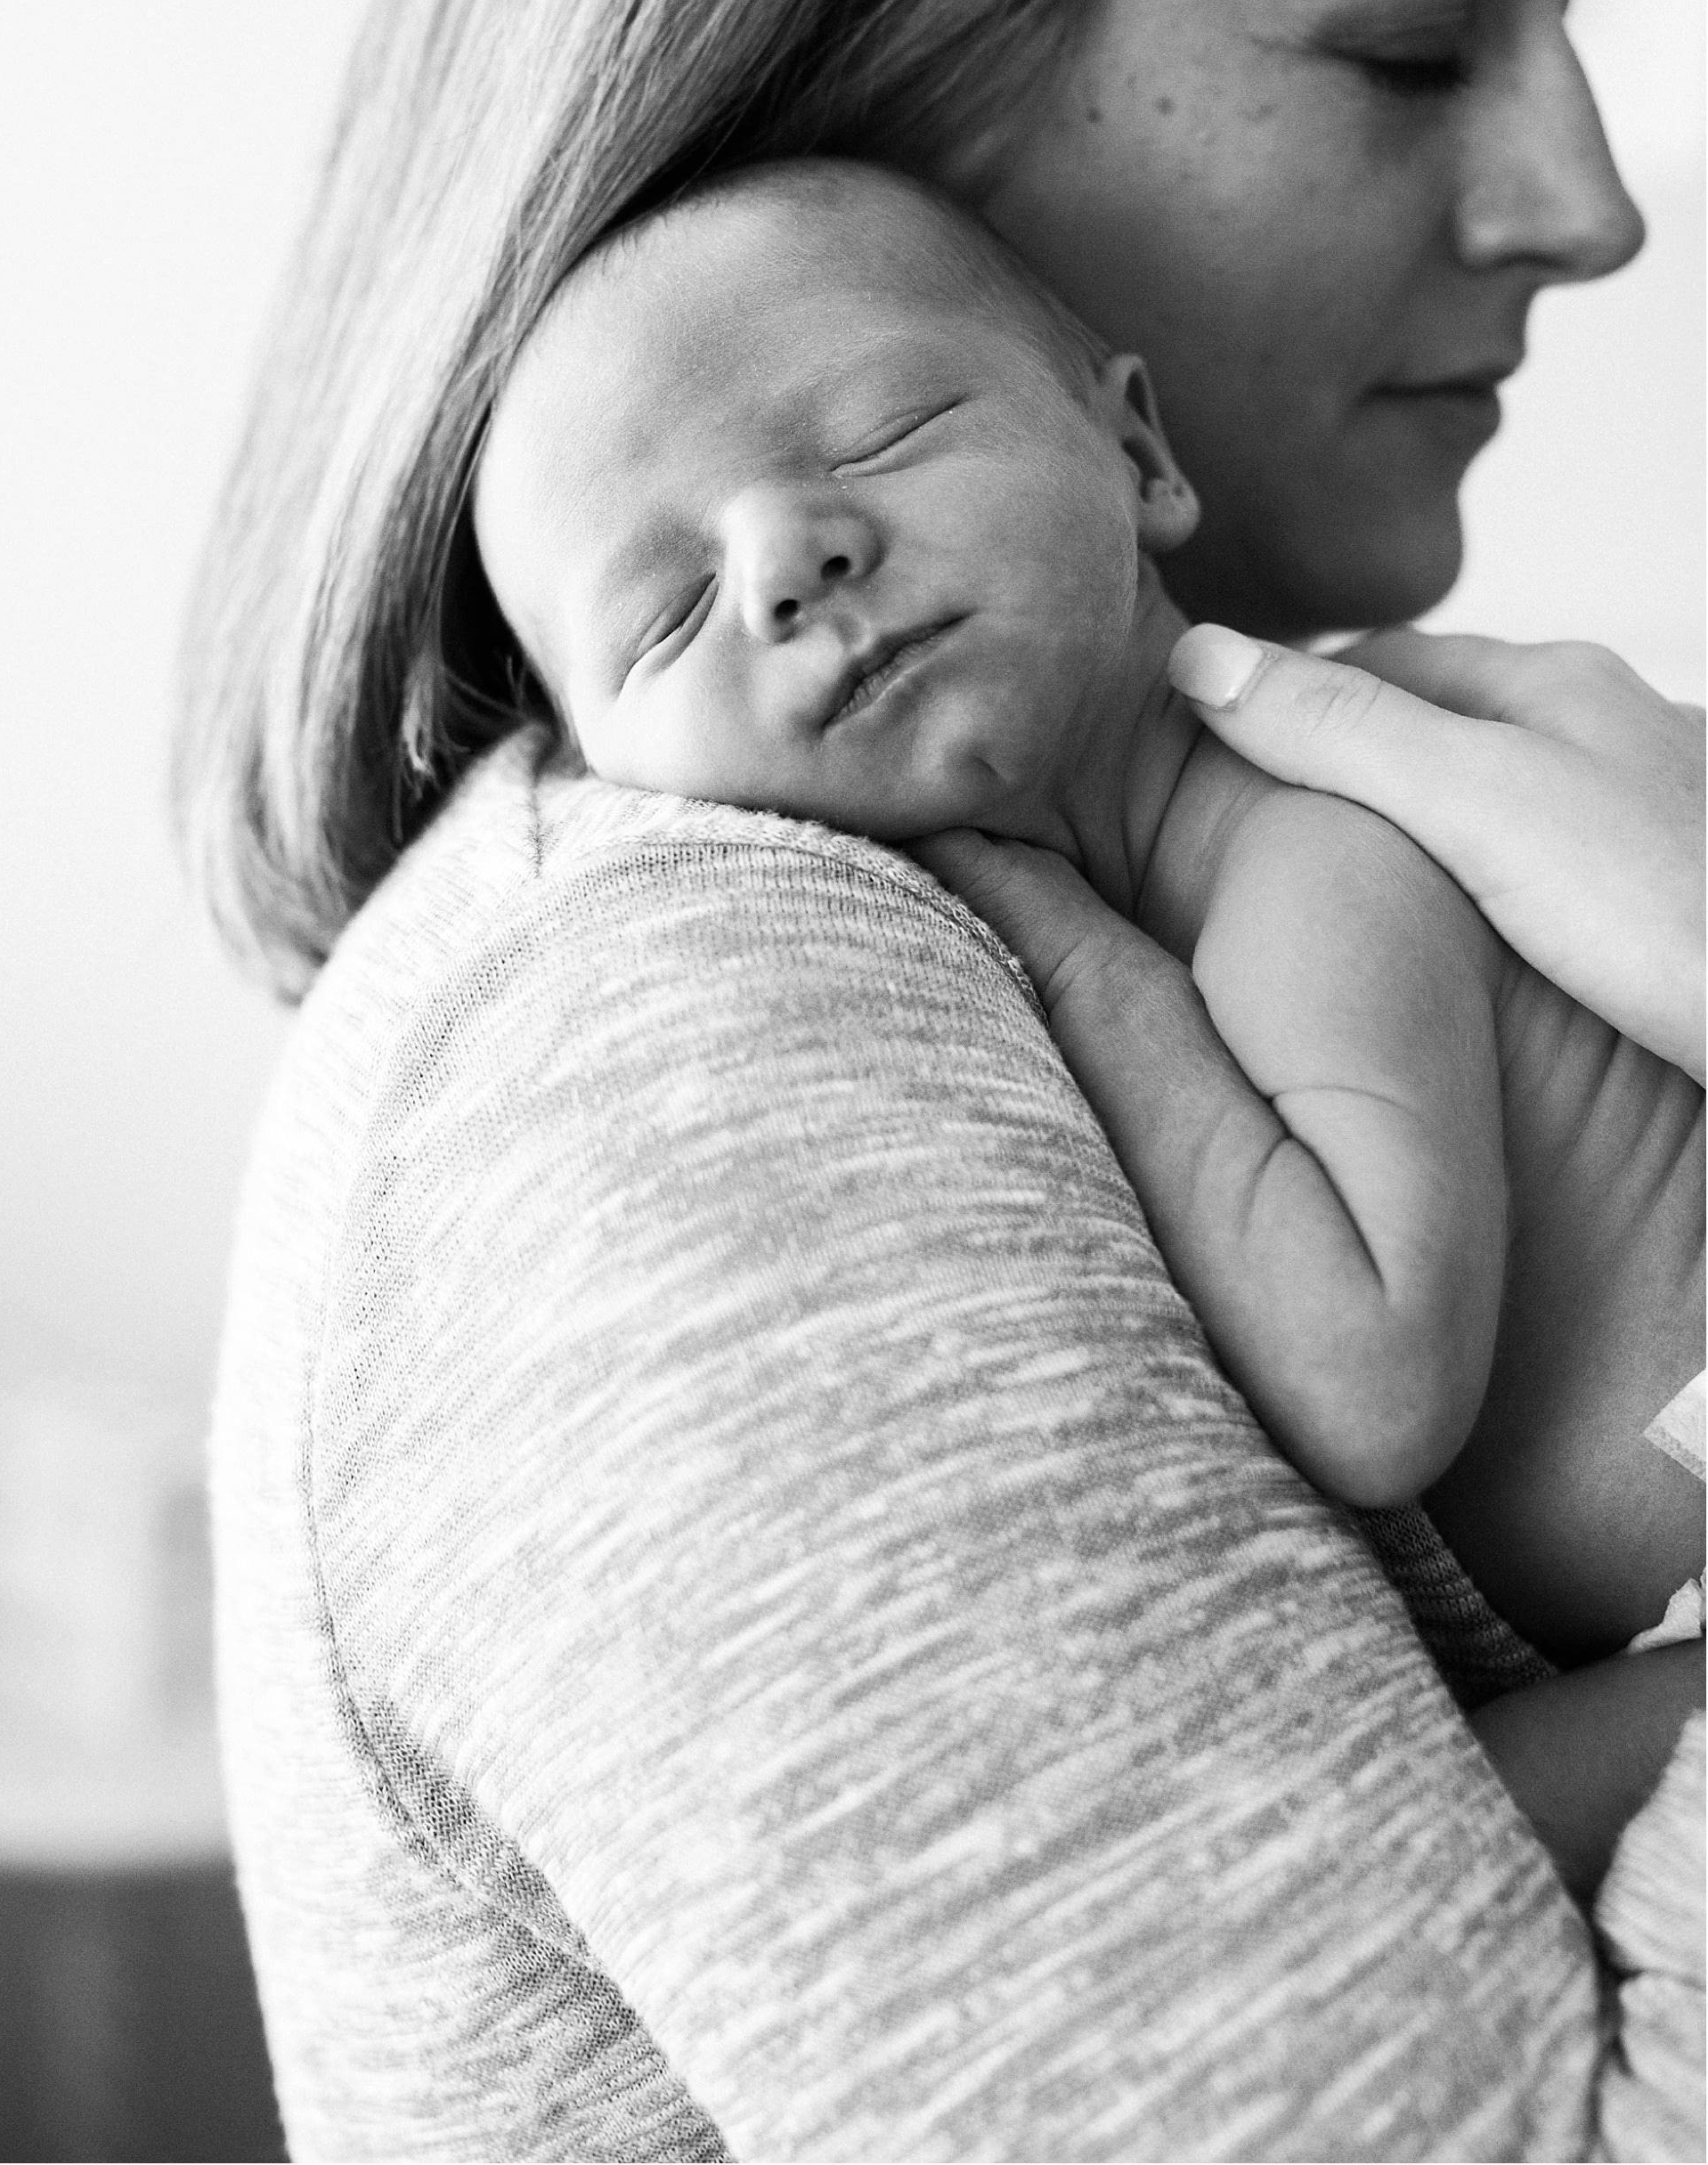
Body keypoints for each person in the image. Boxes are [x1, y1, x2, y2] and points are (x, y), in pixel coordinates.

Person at [180, 0, 1702, 2156]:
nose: (1589, 200)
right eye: (1399, 36)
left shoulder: (1227, 832)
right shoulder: (690, 1040)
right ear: (859, 61)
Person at [475, 153, 1704, 1897]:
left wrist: (1073, 957)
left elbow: (1369, 1381)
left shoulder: (1313, 854)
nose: (786, 560)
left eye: (882, 430)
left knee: (1378, 1856)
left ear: (1136, 453)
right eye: (664, 611)